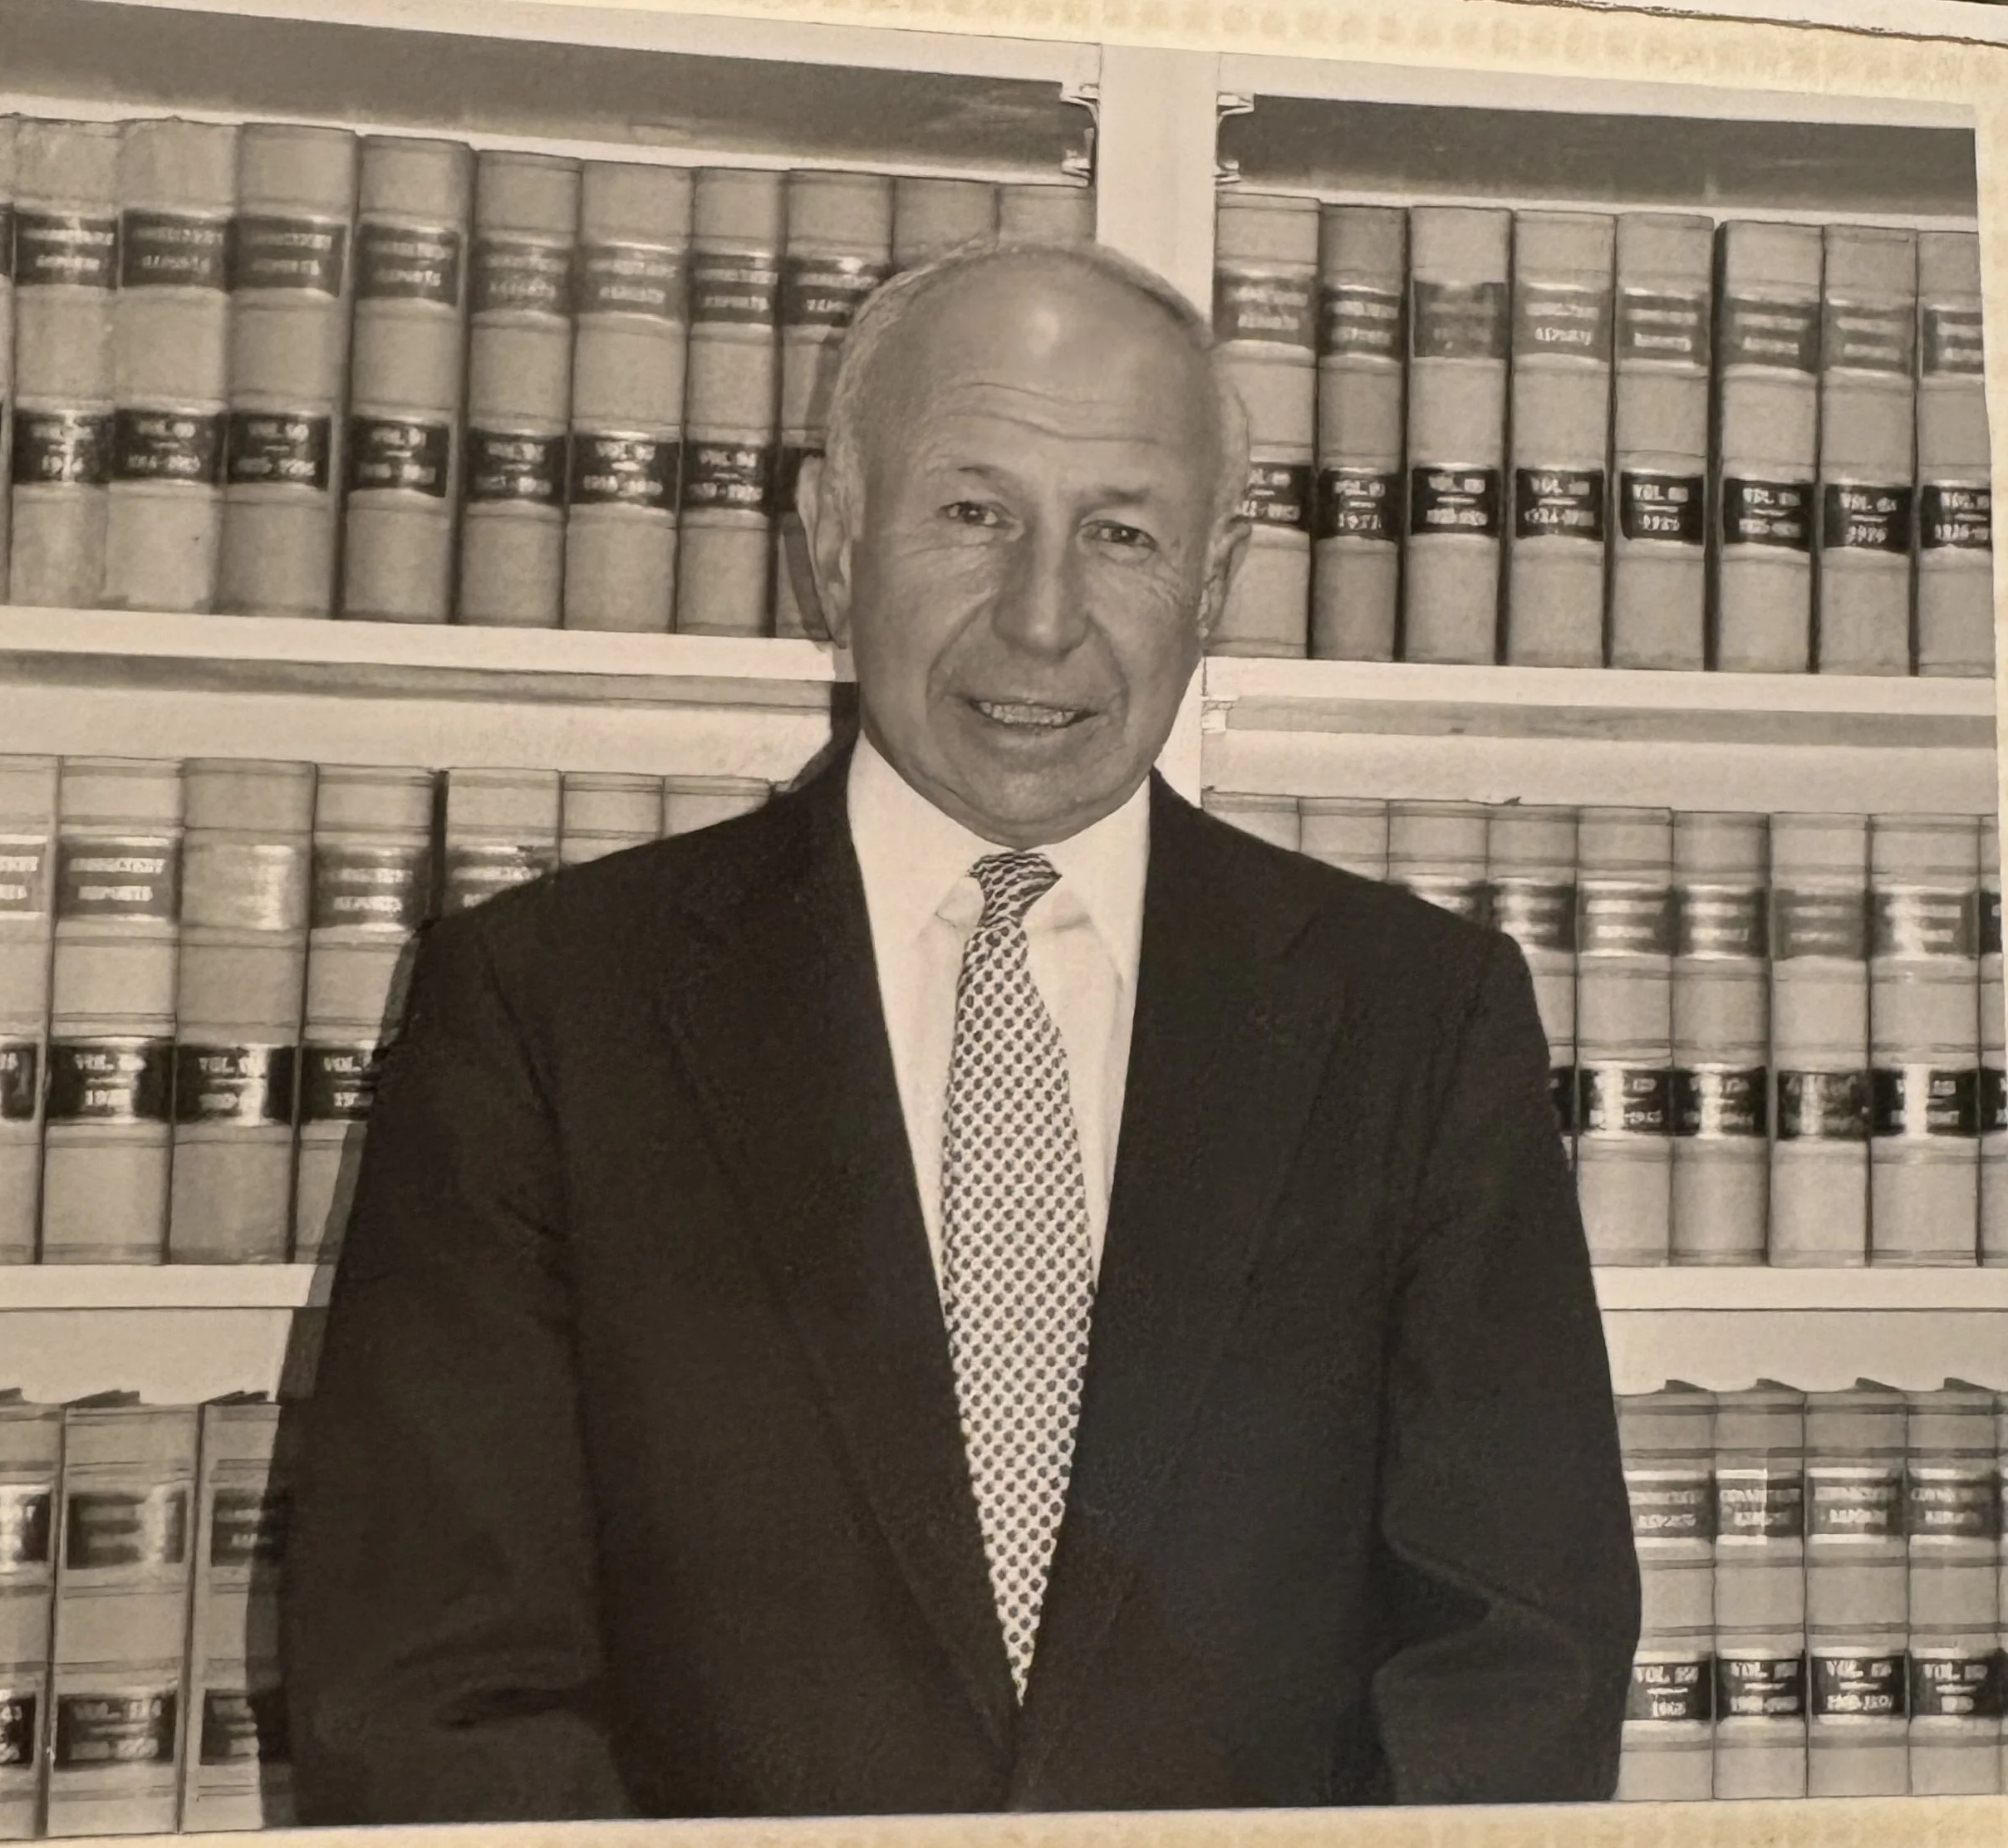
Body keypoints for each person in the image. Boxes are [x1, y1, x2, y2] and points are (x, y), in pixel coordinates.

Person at [282, 238, 1641, 1822]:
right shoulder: (541, 1011)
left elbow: (1518, 1657)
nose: (1043, 617)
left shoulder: (1418, 1021)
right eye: (973, 513)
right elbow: (432, 1688)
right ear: (833, 542)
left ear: (1213, 585)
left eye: (1121, 534)